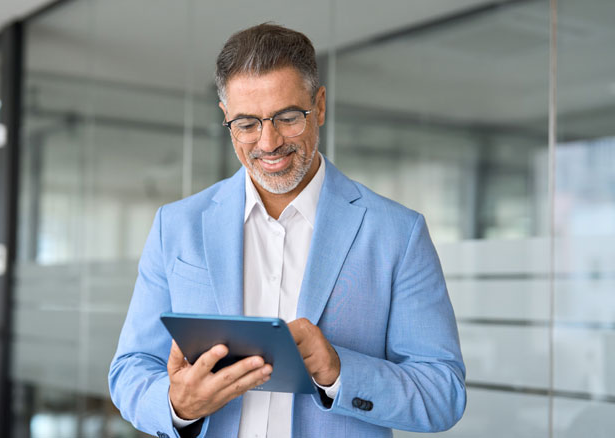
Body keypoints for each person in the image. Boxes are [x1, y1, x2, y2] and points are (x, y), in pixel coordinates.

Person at [109, 23, 465, 438]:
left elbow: (444, 394)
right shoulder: (177, 226)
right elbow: (129, 370)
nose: (268, 141)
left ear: (321, 105)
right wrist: (177, 405)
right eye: (246, 124)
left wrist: (337, 370)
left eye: (288, 117)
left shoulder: (397, 234)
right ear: (226, 118)